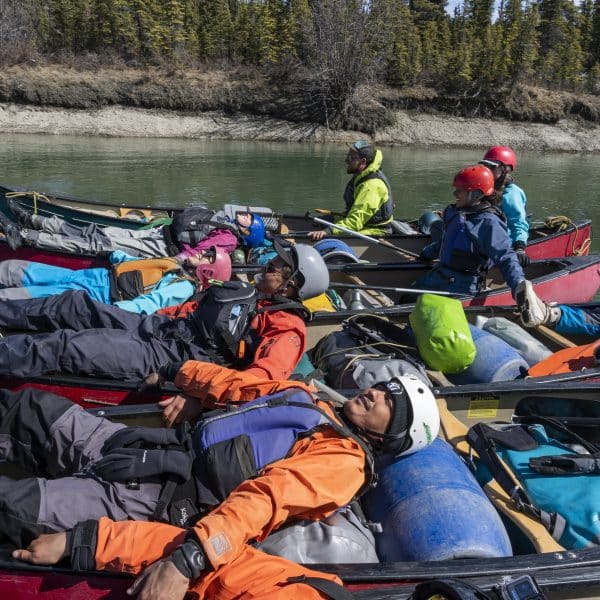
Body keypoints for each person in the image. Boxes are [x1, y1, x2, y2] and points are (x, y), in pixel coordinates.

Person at [5, 365, 440, 599]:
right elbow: (238, 387)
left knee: (15, 507)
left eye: (392, 404)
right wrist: (180, 374)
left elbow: (266, 500)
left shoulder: (342, 462)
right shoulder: (309, 400)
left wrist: (187, 561)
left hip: (155, 501)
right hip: (145, 445)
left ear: (392, 437)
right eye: (385, 387)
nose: (379, 393)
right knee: (29, 408)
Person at [0, 242, 329, 382]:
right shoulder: (253, 295)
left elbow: (260, 382)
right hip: (160, 328)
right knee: (74, 304)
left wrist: (196, 391)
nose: (270, 262)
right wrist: (155, 316)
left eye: (278, 264)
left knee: (68, 345)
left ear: (289, 285)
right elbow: (189, 309)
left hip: (173, 359)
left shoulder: (286, 328)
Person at [0, 199, 265, 259]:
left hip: (161, 247)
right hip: (158, 234)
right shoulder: (222, 221)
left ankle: (25, 236)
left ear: (247, 233)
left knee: (96, 244)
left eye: (247, 219)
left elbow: (196, 255)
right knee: (96, 232)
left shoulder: (228, 239)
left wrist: (173, 264)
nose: (244, 215)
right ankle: (35, 221)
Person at [0, 247, 231, 316]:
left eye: (209, 257)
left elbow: (147, 305)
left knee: (26, 296)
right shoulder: (176, 264)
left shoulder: (183, 286)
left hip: (100, 295)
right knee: (17, 268)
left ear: (209, 271)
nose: (203, 254)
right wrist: (116, 254)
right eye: (207, 252)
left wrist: (106, 311)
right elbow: (140, 264)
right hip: (97, 276)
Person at [415, 165, 530, 301]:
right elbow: (445, 243)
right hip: (439, 274)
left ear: (476, 194)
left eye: (460, 191)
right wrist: (426, 254)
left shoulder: (489, 222)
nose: (455, 194)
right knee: (407, 299)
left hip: (463, 285)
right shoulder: (454, 213)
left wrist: (518, 285)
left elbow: (506, 257)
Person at [308, 141, 394, 241]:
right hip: (362, 223)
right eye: (347, 156)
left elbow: (355, 222)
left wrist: (328, 232)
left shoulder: (371, 186)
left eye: (351, 158)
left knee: (328, 235)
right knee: (318, 222)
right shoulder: (362, 176)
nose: (346, 161)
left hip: (374, 230)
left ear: (363, 162)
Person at [479, 146, 530, 267]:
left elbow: (518, 222)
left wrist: (519, 248)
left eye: (492, 167)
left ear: (505, 170)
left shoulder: (512, 193)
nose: (487, 170)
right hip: (485, 234)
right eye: (486, 166)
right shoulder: (486, 187)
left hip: (500, 241)